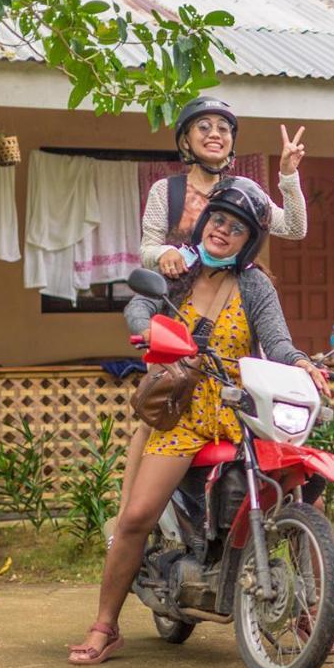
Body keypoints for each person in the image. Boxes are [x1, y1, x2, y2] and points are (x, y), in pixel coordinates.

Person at [68, 179, 331, 664]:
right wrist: (148, 331)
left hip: (239, 413)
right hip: (181, 416)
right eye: (218, 220)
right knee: (136, 517)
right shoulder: (176, 269)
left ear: (248, 241)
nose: (223, 231)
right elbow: (139, 305)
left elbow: (277, 342)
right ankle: (105, 625)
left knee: (290, 493)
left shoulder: (254, 285)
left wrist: (302, 364)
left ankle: (308, 616)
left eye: (236, 228)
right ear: (205, 222)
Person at [110, 98, 310, 542]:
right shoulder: (169, 191)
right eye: (203, 126)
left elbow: (294, 228)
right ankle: (127, 524)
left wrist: (288, 176)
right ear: (186, 139)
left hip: (232, 310)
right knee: (156, 417)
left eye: (223, 126)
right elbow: (146, 247)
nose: (214, 133)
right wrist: (164, 255)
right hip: (177, 308)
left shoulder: (245, 188)